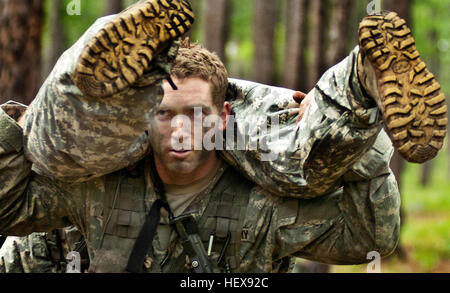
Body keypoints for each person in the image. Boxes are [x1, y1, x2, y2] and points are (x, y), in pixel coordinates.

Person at [0, 0, 446, 273]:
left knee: (301, 155)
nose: (180, 130)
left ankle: (360, 82)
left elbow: (372, 236)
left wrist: (365, 148)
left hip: (265, 142)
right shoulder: (95, 187)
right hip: (89, 134)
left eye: (197, 114)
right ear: (144, 119)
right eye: (164, 114)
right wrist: (16, 131)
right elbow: (9, 207)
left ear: (226, 114)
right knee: (68, 133)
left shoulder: (263, 201)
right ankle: (121, 46)